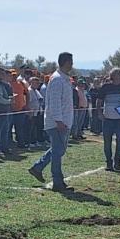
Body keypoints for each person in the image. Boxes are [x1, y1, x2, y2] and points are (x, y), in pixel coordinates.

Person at [29, 52, 75, 191]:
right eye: (71, 61)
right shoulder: (57, 79)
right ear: (65, 62)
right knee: (57, 152)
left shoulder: (64, 79)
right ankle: (57, 182)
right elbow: (54, 103)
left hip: (63, 120)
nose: (72, 64)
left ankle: (38, 167)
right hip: (57, 122)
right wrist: (59, 121)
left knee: (58, 150)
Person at [97, 67, 120, 172]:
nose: (117, 77)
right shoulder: (105, 87)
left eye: (119, 75)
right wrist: (99, 113)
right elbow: (99, 101)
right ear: (112, 76)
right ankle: (109, 163)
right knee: (107, 142)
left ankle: (117, 163)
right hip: (107, 118)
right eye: (115, 75)